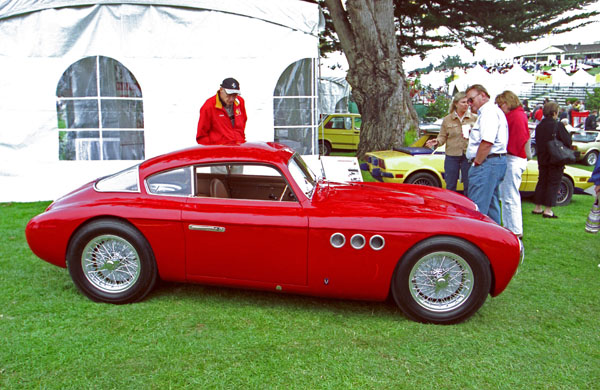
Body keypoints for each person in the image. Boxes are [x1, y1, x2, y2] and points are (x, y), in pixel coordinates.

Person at [465, 84, 508, 224]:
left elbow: (487, 142)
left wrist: (476, 163)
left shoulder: (488, 112)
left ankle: (477, 241)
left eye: (471, 100)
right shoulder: (491, 112)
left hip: (487, 163)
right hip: (493, 162)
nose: (469, 104)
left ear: (483, 95)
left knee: (477, 209)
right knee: (491, 207)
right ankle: (497, 241)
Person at [425, 92, 477, 194]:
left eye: (467, 102)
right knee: (451, 183)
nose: (466, 104)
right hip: (452, 155)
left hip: (468, 155)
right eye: (463, 102)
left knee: (469, 183)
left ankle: (468, 206)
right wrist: (437, 141)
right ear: (456, 104)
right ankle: (451, 206)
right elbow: (442, 136)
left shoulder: (474, 118)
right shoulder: (447, 119)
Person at [495, 91, 530, 239]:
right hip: (514, 157)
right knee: (507, 195)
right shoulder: (518, 115)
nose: (499, 107)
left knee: (510, 195)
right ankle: (511, 227)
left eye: (501, 104)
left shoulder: (516, 116)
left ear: (508, 103)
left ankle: (515, 229)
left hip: (514, 158)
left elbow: (518, 139)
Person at [532, 101, 572, 218]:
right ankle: (548, 209)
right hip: (555, 158)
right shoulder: (558, 125)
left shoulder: (539, 126)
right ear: (555, 112)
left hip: (542, 157)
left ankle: (537, 207)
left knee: (542, 181)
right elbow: (567, 141)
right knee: (553, 182)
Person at [196, 77, 247, 145]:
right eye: (229, 95)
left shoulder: (240, 102)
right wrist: (214, 150)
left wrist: (241, 140)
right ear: (221, 90)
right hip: (220, 151)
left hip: (238, 147)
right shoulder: (209, 106)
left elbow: (242, 123)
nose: (231, 99)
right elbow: (202, 137)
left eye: (234, 95)